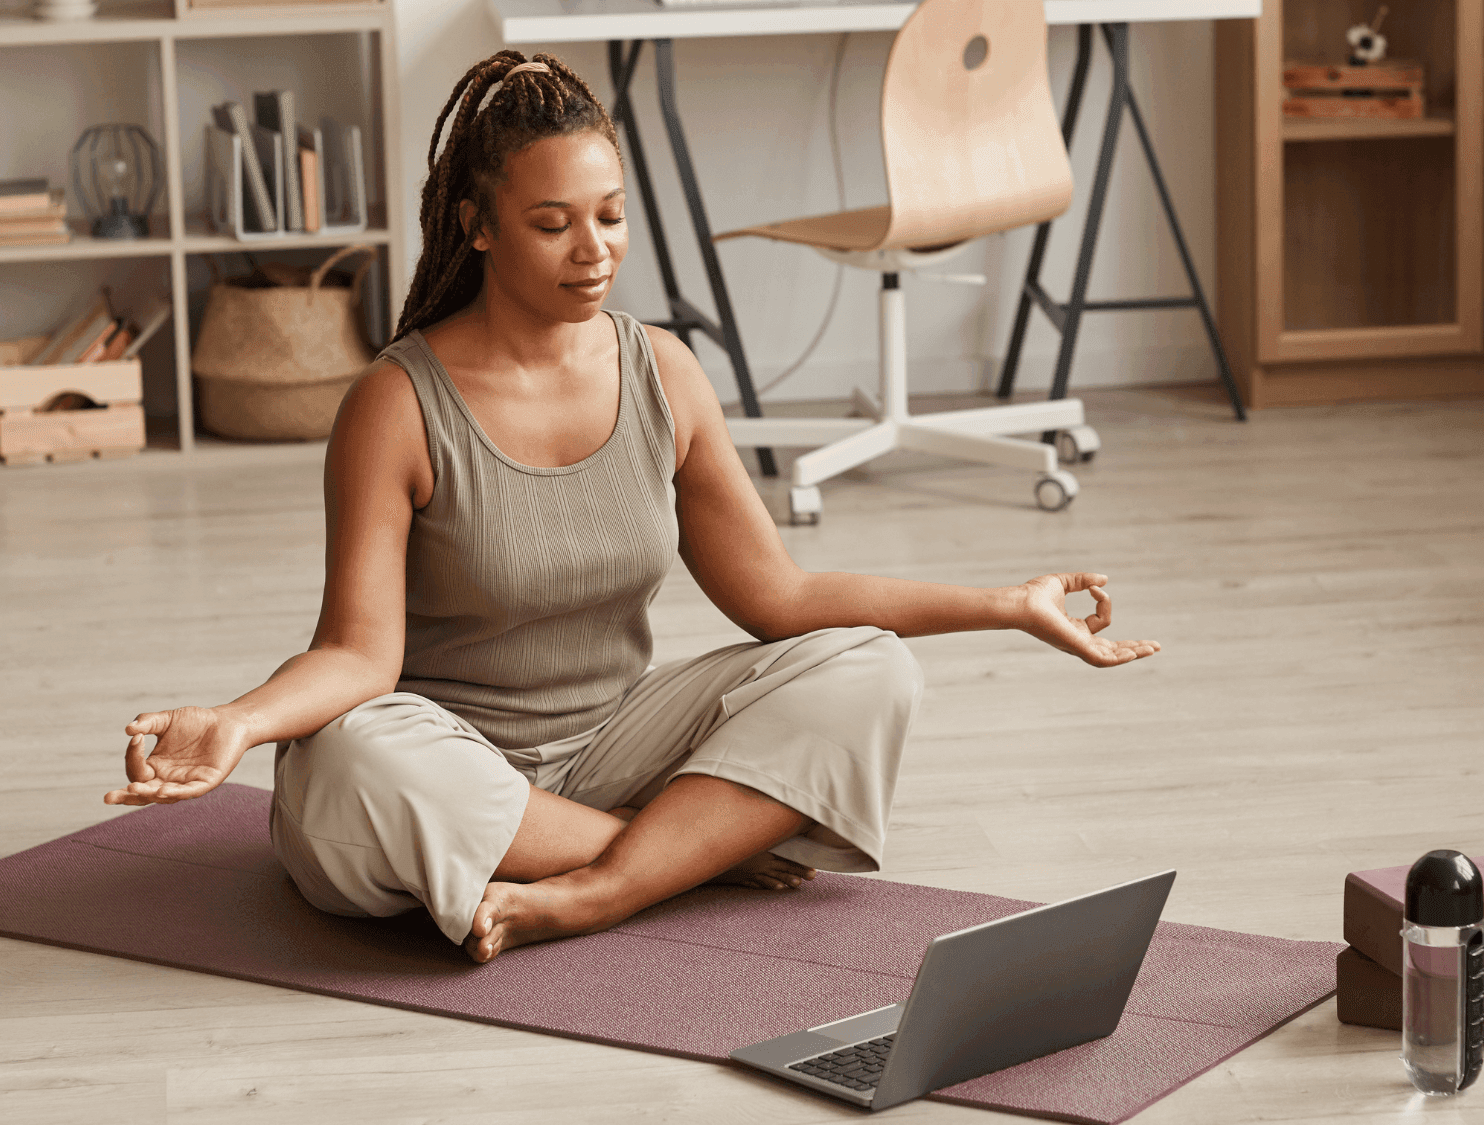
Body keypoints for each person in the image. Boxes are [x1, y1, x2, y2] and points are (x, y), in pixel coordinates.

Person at [104, 51, 1158, 964]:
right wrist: (237, 722)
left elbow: (779, 596)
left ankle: (600, 889)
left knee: (868, 663)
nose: (593, 249)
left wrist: (1007, 605)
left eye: (609, 218)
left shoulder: (662, 370)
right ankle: (684, 851)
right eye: (552, 224)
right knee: (346, 763)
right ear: (475, 227)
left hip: (613, 736)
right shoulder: (395, 403)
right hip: (445, 754)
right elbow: (357, 659)